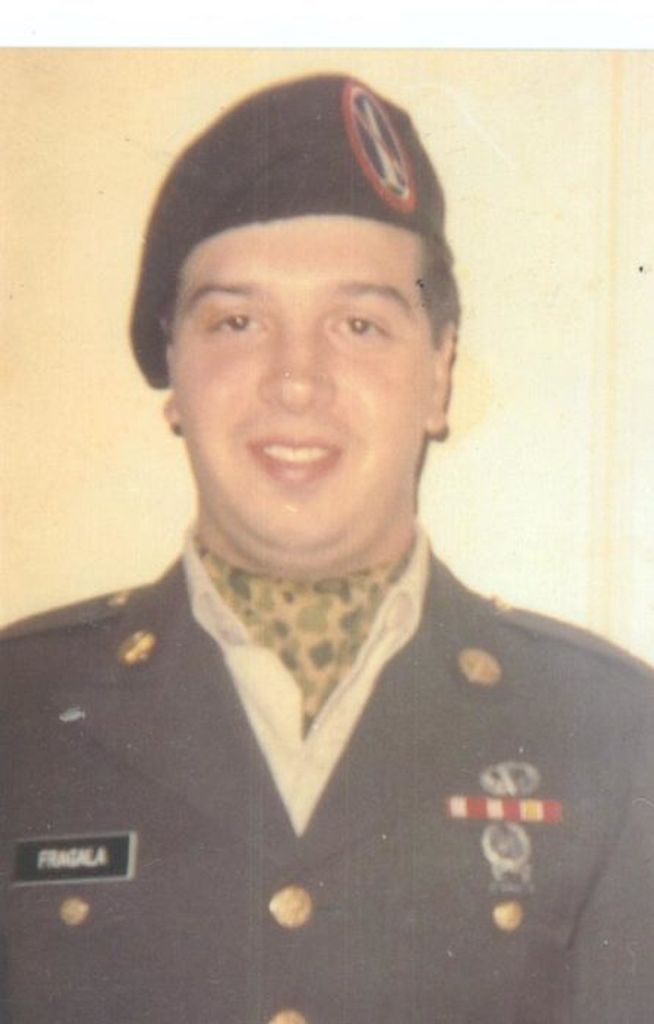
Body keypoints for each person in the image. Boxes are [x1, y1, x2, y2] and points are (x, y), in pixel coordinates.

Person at [1, 73, 652, 1024]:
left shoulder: (613, 734)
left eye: (359, 325)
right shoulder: (18, 712)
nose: (297, 381)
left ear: (438, 374)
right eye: (238, 322)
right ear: (174, 372)